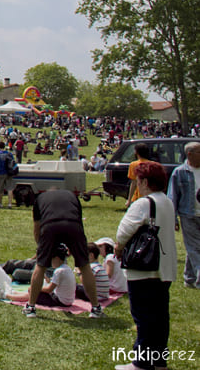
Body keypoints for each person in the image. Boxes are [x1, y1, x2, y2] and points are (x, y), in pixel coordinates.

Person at [115, 161, 177, 370]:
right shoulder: (167, 202)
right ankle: (159, 361)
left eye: (139, 180)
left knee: (143, 317)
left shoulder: (143, 203)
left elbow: (123, 232)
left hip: (144, 269)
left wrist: (119, 247)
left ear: (144, 181)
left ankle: (141, 362)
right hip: (165, 268)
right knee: (160, 318)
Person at [23, 188, 102, 318]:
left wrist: (41, 248)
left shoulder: (40, 199)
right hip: (74, 226)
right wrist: (75, 247)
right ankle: (95, 308)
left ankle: (31, 307)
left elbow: (37, 228)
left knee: (40, 266)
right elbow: (78, 222)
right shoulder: (72, 196)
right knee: (85, 266)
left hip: (49, 226)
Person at [167, 141, 200, 289]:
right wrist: (172, 218)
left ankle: (189, 278)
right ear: (190, 154)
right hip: (188, 214)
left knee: (193, 247)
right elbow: (172, 197)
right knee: (194, 246)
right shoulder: (180, 172)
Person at [30, 244, 76, 308]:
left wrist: (36, 288)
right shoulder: (67, 268)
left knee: (33, 293)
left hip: (60, 301)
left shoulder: (59, 271)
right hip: (69, 301)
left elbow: (49, 289)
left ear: (56, 258)